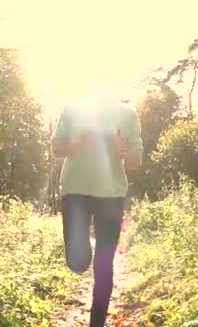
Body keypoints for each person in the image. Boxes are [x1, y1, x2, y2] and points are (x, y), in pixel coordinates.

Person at [52, 96, 143, 327]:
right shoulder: (73, 108)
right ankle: (82, 255)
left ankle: (97, 323)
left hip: (111, 194)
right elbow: (56, 148)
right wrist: (77, 144)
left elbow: (135, 161)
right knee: (77, 262)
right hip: (75, 191)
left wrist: (122, 150)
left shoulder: (127, 113)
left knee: (104, 264)